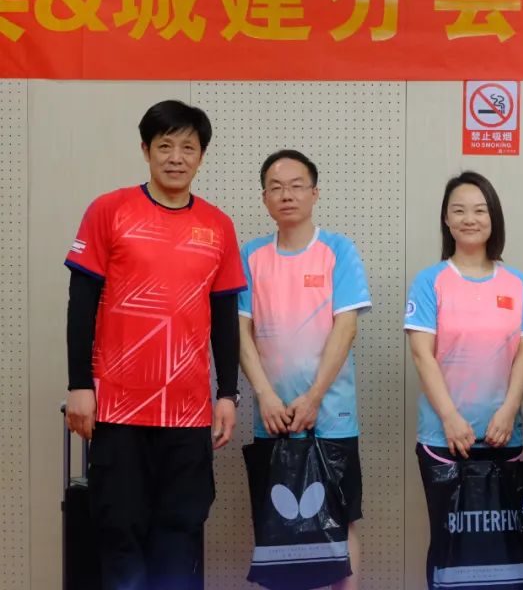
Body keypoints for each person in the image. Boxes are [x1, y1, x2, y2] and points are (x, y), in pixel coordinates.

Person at [64, 100, 245, 590]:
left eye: (188, 147)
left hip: (187, 412)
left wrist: (227, 394)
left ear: (201, 156)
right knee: (119, 529)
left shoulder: (218, 226)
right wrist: (79, 385)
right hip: (118, 407)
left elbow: (224, 317)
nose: (176, 157)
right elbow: (81, 304)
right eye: (165, 146)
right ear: (145, 150)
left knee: (179, 532)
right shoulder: (109, 211)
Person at [238, 149, 372, 590]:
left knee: (342, 518)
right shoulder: (250, 256)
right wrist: (265, 395)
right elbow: (240, 331)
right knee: (277, 525)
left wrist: (314, 396)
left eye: (297, 186)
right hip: (272, 418)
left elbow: (346, 327)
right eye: (276, 187)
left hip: (332, 416)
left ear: (315, 194)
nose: (287, 195)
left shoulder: (338, 250)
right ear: (264, 198)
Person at [405, 171, 523, 589]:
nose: (469, 219)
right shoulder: (430, 281)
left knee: (503, 545)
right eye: (459, 210)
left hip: (504, 436)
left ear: (493, 217)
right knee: (449, 543)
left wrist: (508, 412)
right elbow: (422, 355)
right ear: (446, 219)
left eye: (479, 210)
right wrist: (449, 418)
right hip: (443, 437)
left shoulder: (516, 283)